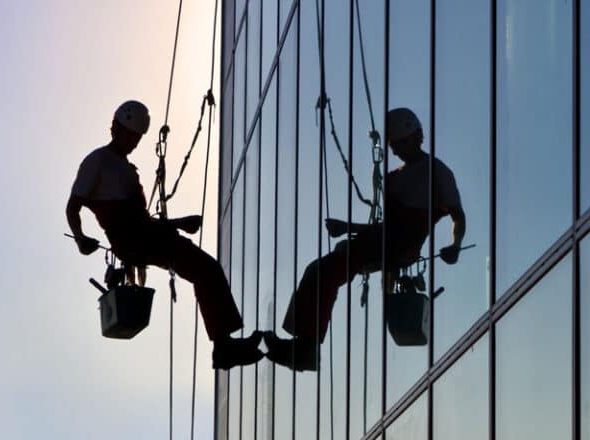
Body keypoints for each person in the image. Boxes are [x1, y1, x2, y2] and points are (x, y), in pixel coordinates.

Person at [264, 107, 466, 371]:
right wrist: (347, 227)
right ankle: (304, 344)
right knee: (319, 269)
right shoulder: (394, 179)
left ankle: (305, 348)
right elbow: (387, 227)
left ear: (417, 137)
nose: (394, 152)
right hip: (386, 241)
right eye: (394, 145)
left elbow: (457, 215)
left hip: (398, 245)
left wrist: (456, 245)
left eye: (399, 144)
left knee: (326, 270)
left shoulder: (437, 173)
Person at [66, 100, 263, 369]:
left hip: (142, 235)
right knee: (205, 269)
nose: (134, 143)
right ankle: (224, 346)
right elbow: (73, 207)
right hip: (134, 238)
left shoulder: (124, 167)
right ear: (116, 129)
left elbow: (140, 221)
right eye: (131, 136)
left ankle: (224, 344)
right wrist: (79, 239)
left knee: (206, 269)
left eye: (137, 138)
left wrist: (177, 224)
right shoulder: (98, 161)